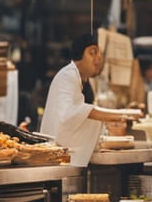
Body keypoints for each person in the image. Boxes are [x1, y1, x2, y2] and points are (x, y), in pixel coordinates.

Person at [40, 34, 143, 166]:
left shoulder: (82, 80)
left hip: (62, 159)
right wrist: (122, 114)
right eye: (92, 53)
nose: (97, 59)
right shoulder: (67, 76)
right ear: (79, 56)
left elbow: (83, 113)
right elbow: (70, 114)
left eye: (99, 54)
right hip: (55, 159)